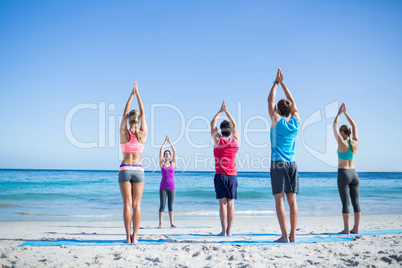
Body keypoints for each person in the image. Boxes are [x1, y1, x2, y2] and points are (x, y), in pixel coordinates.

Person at [267, 68, 300, 243]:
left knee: (280, 201)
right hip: (292, 164)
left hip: (278, 163)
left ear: (278, 111)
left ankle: (284, 236)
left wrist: (275, 83)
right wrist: (283, 83)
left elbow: (269, 100)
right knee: (292, 201)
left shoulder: (276, 120)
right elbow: (293, 103)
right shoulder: (295, 122)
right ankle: (293, 235)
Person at [118, 81, 147, 243]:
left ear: (128, 120)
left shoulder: (124, 133)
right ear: (138, 120)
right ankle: (135, 237)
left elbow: (123, 114)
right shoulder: (143, 133)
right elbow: (143, 113)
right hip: (138, 169)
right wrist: (138, 94)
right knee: (137, 205)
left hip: (125, 169)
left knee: (127, 205)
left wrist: (131, 94)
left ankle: (127, 237)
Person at [210, 100, 239, 236]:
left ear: (221, 131)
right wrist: (227, 112)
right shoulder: (235, 141)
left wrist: (220, 111)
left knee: (223, 204)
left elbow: (212, 124)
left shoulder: (218, 140)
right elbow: (236, 126)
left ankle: (223, 231)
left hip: (220, 175)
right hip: (232, 176)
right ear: (231, 130)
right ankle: (229, 231)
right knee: (231, 204)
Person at [333, 103, 361, 234]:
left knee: (346, 203)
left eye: (340, 131)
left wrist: (339, 113)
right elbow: (354, 126)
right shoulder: (355, 142)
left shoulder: (342, 143)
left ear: (343, 132)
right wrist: (346, 114)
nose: (338, 133)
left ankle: (346, 229)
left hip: (344, 173)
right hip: (354, 174)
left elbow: (334, 125)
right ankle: (355, 228)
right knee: (356, 202)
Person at [158, 134, 177, 228]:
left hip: (171, 187)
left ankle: (171, 223)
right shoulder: (162, 164)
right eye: (165, 154)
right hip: (163, 187)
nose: (167, 155)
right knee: (162, 205)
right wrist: (165, 142)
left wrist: (170, 142)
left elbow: (175, 151)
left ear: (170, 156)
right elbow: (160, 151)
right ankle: (160, 223)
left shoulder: (173, 163)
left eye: (168, 154)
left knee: (171, 205)